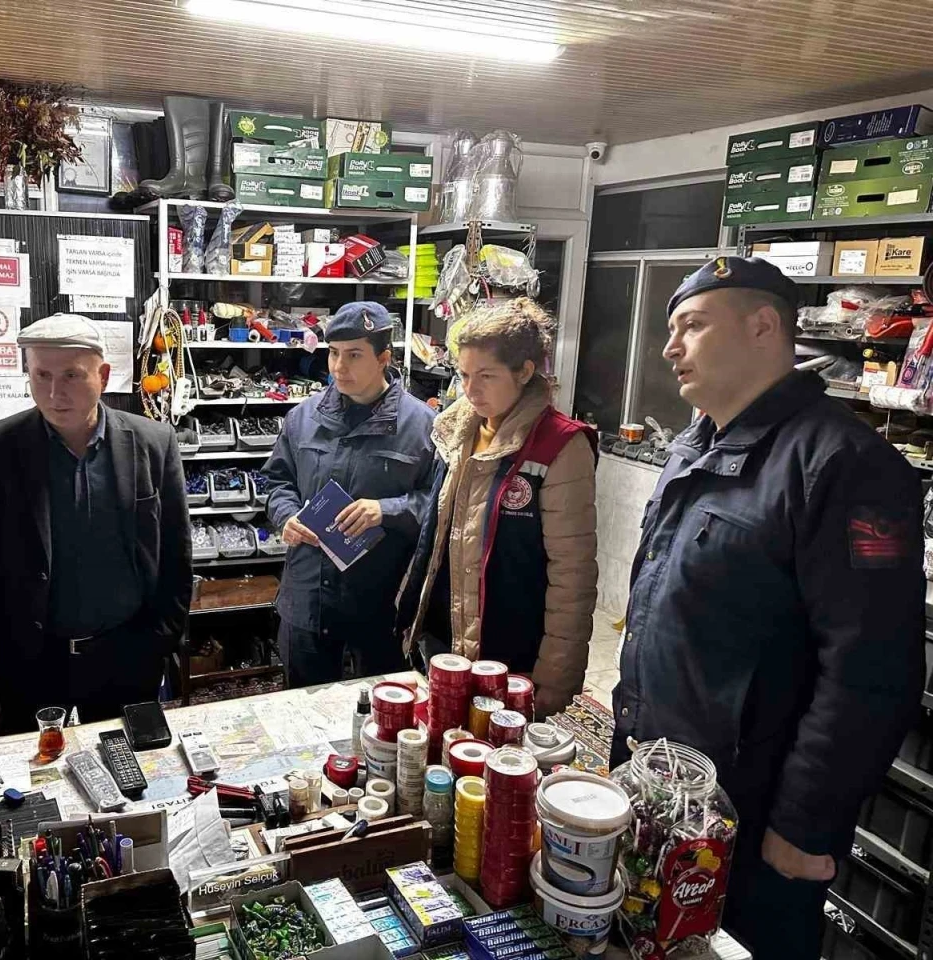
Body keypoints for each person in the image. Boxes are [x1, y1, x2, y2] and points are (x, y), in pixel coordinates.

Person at [612, 257, 925, 958]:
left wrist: (804, 824)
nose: (669, 348)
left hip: (755, 813)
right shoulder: (696, 445)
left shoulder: (843, 466)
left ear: (762, 327)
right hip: (666, 783)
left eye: (692, 326)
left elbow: (871, 667)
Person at [0, 313, 192, 733]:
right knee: (28, 765)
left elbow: (175, 552)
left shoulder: (153, 442)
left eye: (72, 376)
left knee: (132, 762)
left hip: (126, 653)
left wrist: (160, 640)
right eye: (41, 375)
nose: (55, 393)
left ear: (104, 376)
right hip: (27, 657)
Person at [398, 299, 597, 718]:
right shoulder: (455, 431)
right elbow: (437, 538)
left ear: (524, 372)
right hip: (444, 633)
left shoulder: (559, 445)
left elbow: (573, 574)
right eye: (464, 375)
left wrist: (555, 676)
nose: (471, 391)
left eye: (486, 376)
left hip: (510, 646)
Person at [263, 302, 437, 686]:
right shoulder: (302, 417)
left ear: (384, 359)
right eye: (334, 353)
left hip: (379, 603)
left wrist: (386, 510)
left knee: (382, 709)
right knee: (302, 707)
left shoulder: (424, 427)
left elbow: (441, 504)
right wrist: (286, 515)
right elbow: (277, 481)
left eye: (354, 355)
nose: (339, 367)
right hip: (307, 598)